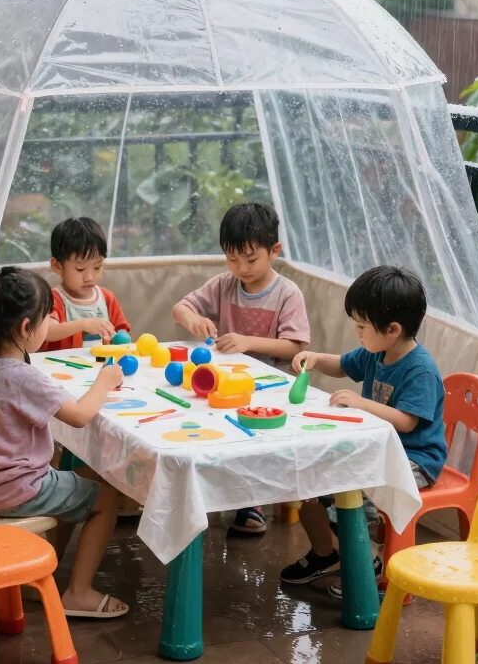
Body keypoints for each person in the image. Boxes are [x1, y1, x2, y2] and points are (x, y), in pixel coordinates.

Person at [0, 266, 129, 619]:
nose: (48, 327)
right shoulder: (23, 377)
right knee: (108, 498)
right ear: (26, 328)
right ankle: (79, 592)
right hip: (18, 490)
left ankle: (42, 574)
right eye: (46, 321)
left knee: (85, 479)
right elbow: (81, 416)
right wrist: (105, 380)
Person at [280, 265, 447, 593]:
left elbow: (407, 421)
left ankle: (367, 561)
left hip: (413, 459)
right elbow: (342, 365)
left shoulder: (420, 370)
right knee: (312, 483)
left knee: (347, 491)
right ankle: (324, 554)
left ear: (393, 329)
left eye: (361, 326)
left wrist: (361, 403)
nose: (357, 332)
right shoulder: (377, 352)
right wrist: (314, 358)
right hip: (374, 448)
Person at [171, 202, 310, 534]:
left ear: (274, 251)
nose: (241, 268)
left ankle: (252, 503)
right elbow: (181, 307)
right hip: (228, 382)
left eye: (250, 259)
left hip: (271, 388)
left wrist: (248, 342)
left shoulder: (287, 294)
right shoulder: (224, 284)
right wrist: (194, 318)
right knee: (201, 419)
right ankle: (212, 490)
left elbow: (296, 346)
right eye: (232, 259)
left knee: (252, 435)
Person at [40, 216, 130, 353]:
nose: (89, 278)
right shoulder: (53, 299)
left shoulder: (107, 298)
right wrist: (84, 324)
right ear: (57, 266)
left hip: (101, 367)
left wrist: (122, 338)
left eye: (97, 267)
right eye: (80, 269)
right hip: (62, 370)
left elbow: (121, 330)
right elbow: (47, 332)